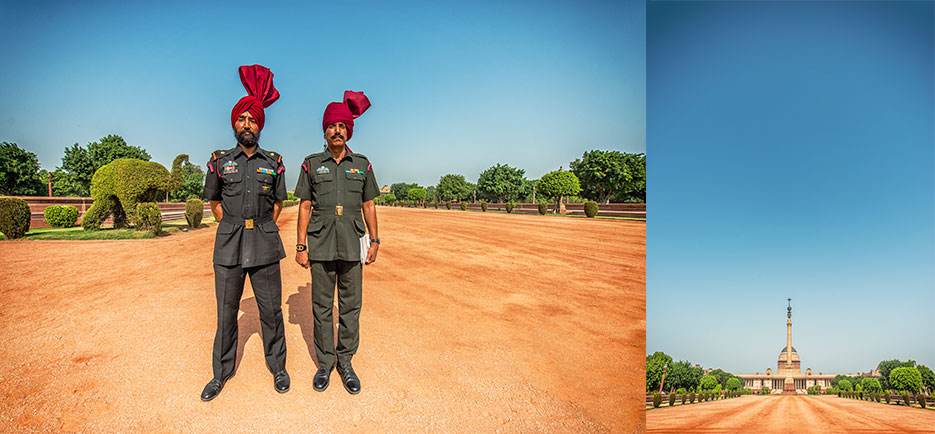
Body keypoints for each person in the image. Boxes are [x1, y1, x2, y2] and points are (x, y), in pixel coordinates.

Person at [200, 64, 289, 401]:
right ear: (234, 124)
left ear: (259, 124)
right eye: (242, 119)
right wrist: (234, 225)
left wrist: (260, 225)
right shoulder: (219, 161)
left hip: (265, 244)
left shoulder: (275, 161)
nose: (247, 124)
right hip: (229, 246)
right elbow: (214, 202)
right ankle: (220, 374)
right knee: (226, 314)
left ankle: (278, 368)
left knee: (272, 311)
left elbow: (278, 204)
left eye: (253, 119)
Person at [294, 91, 380, 394]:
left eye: (342, 126)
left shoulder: (363, 164)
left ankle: (345, 361)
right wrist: (301, 246)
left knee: (350, 306)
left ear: (349, 130)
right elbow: (304, 206)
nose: (337, 131)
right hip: (320, 244)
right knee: (320, 307)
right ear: (325, 130)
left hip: (353, 242)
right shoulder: (311, 163)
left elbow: (369, 204)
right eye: (332, 126)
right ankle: (325, 363)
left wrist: (375, 240)